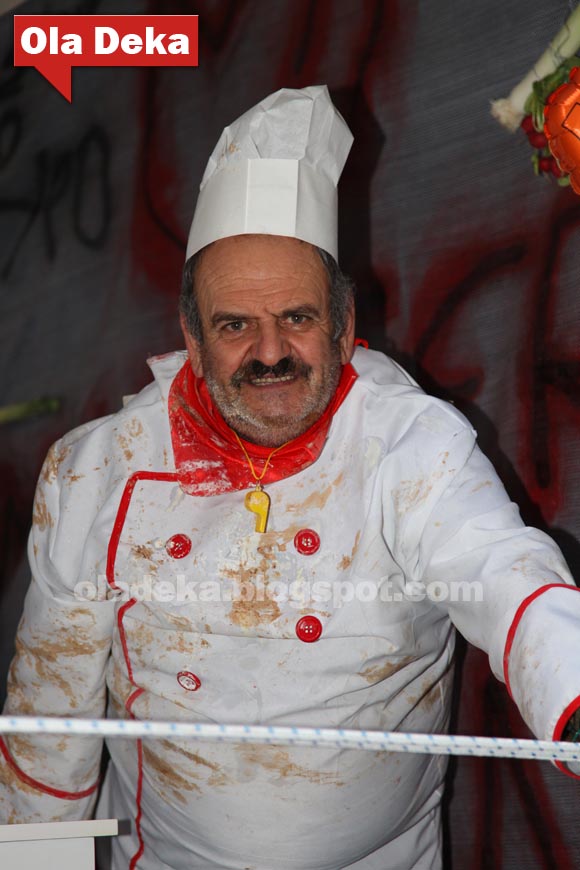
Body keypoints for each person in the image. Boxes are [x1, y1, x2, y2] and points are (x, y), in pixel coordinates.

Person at [0, 85, 579, 870]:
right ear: (192, 338)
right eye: (235, 325)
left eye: (297, 318)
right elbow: (48, 725)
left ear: (343, 326)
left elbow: (503, 571)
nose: (270, 352)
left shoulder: (408, 442)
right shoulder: (96, 473)